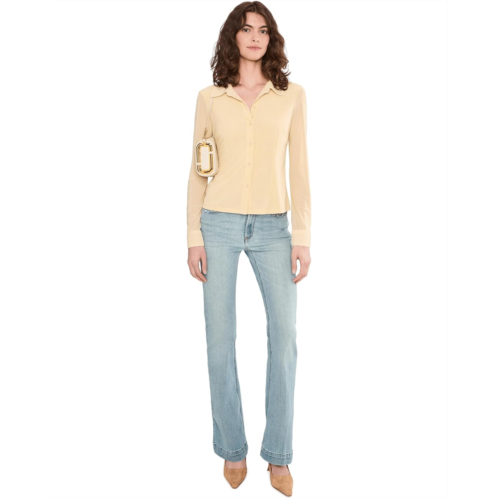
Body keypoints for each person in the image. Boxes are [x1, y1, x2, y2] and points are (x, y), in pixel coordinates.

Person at [186, 2, 311, 495]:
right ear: (233, 38)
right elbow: (198, 171)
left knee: (284, 338)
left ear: (271, 38)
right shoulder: (210, 98)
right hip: (216, 223)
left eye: (262, 30)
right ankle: (232, 447)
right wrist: (193, 235)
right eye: (246, 29)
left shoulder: (291, 96)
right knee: (220, 341)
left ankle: (278, 455)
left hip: (274, 227)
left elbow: (299, 169)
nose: (255, 37)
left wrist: (302, 235)